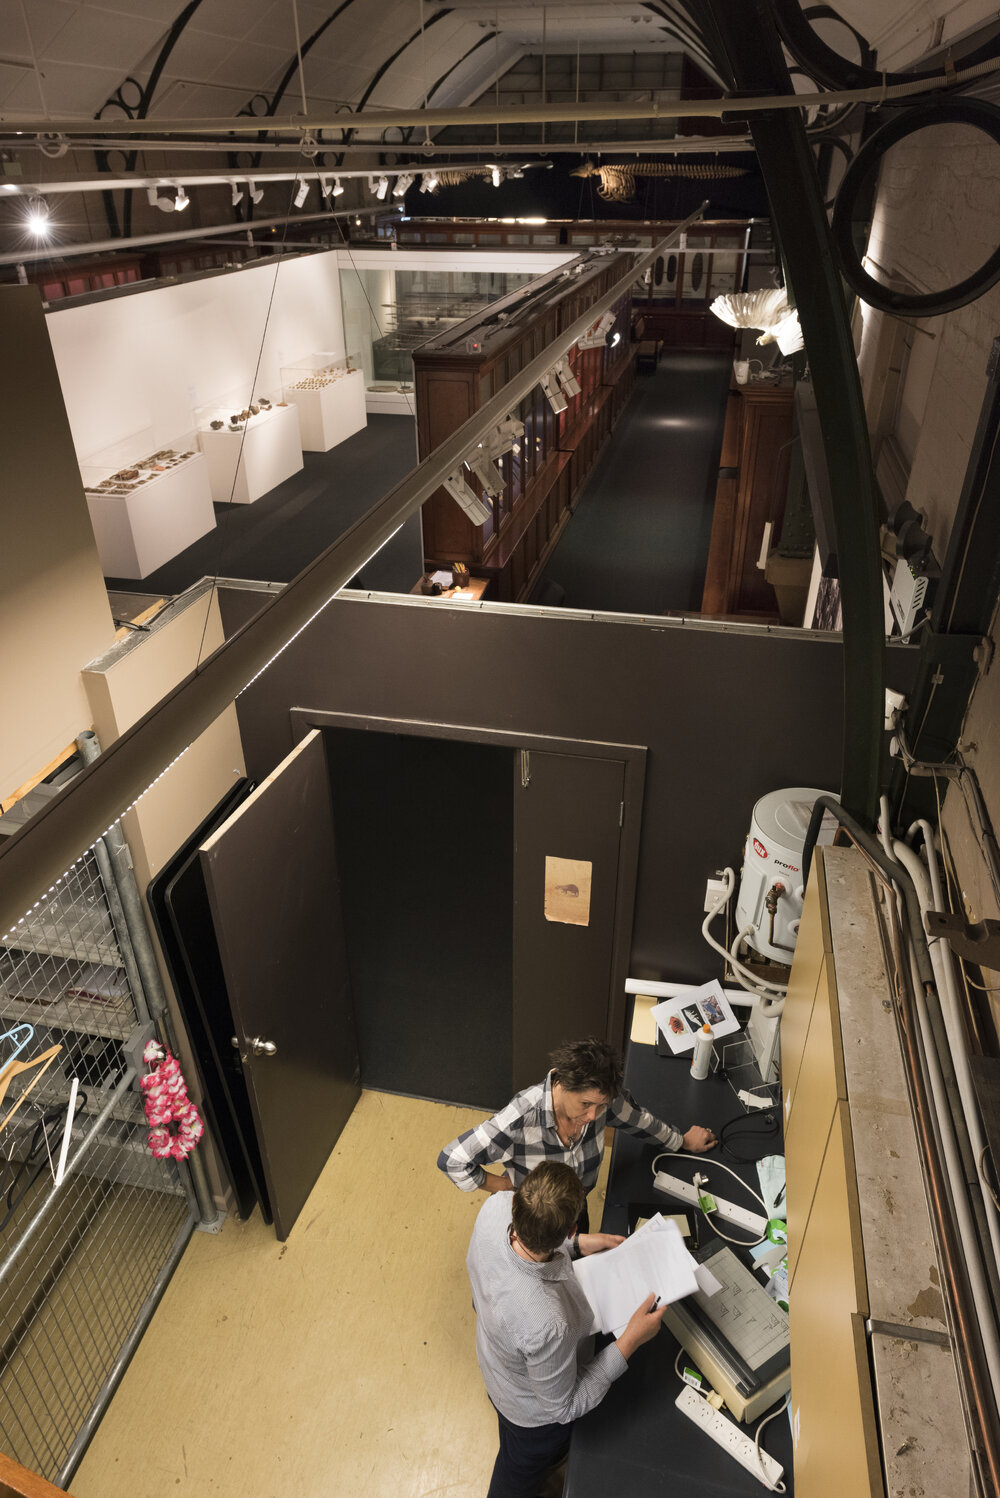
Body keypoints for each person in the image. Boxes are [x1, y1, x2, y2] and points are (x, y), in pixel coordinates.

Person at [467, 1159, 666, 1498]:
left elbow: (525, 1244)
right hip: (531, 1415)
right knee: (518, 1470)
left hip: (497, 1361)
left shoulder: (495, 1207)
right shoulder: (548, 1321)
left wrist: (576, 1246)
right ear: (572, 1226)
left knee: (511, 1436)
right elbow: (564, 1407)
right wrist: (631, 1339)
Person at [437, 1036, 716, 1218]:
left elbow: (640, 1121)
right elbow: (453, 1160)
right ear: (563, 1083)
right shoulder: (519, 1118)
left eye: (602, 1105)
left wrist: (681, 1141)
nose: (594, 1116)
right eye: (585, 1104)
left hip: (576, 1207)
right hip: (533, 1216)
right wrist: (505, 1188)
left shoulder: (602, 1101)